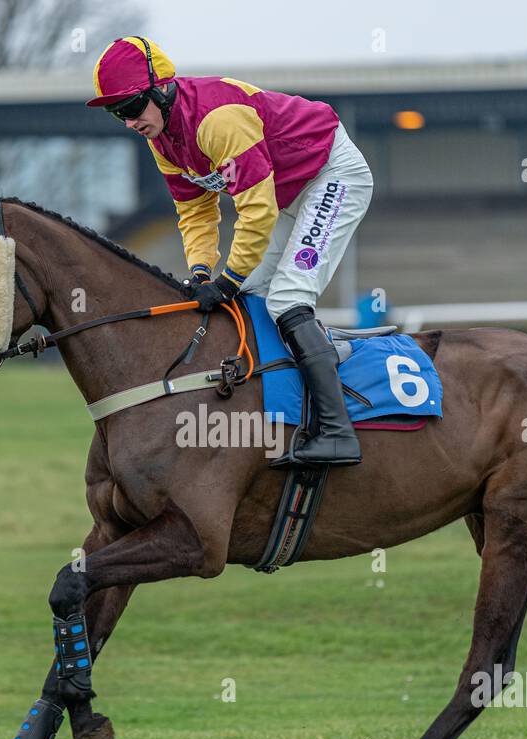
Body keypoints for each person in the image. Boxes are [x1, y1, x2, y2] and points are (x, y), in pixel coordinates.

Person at [85, 36, 372, 467]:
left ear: (162, 89)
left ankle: (338, 432)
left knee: (288, 298)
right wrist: (201, 272)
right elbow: (196, 212)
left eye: (130, 107)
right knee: (248, 300)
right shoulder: (161, 138)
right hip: (286, 195)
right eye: (116, 113)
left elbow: (255, 213)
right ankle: (279, 412)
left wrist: (228, 277)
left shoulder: (218, 121)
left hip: (331, 174)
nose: (128, 121)